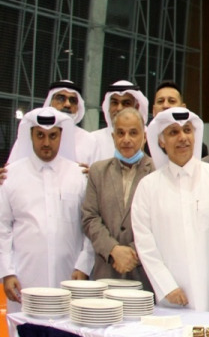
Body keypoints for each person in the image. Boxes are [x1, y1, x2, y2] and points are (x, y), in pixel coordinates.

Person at [0, 108, 92, 311]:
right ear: (30, 135)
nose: (46, 143)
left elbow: (90, 226)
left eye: (53, 136)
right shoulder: (11, 176)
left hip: (69, 278)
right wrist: (7, 272)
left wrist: (83, 266)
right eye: (40, 135)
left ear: (61, 136)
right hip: (23, 280)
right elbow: (2, 228)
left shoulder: (79, 176)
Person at [131, 108, 209, 312]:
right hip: (173, 296)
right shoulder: (148, 186)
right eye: (173, 132)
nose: (182, 138)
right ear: (161, 141)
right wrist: (166, 286)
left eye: (187, 130)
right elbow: (145, 243)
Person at [82, 107, 155, 290]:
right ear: (113, 137)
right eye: (121, 133)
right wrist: (113, 250)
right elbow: (90, 218)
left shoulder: (157, 172)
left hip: (145, 276)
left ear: (144, 137)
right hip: (106, 271)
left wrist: (131, 253)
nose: (126, 139)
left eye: (133, 133)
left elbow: (160, 224)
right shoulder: (98, 172)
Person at [87, 81, 149, 163]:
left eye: (126, 103)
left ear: (137, 107)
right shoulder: (93, 139)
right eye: (115, 103)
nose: (119, 108)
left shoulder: (150, 138)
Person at [40, 80, 98, 163]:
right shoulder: (36, 135)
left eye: (73, 100)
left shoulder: (89, 140)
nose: (67, 104)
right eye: (61, 98)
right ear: (50, 103)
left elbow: (96, 173)